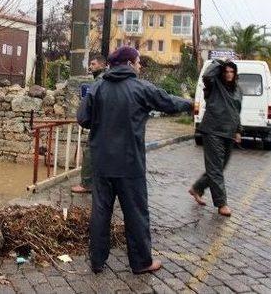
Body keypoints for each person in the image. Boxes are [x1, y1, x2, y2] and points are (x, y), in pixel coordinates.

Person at [77, 46, 192, 274]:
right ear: (129, 63)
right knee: (136, 213)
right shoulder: (141, 87)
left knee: (100, 212)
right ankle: (141, 263)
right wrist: (191, 104)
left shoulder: (97, 86)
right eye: (138, 62)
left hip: (101, 163)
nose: (140, 66)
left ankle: (97, 261)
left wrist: (102, 124)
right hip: (130, 164)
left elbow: (82, 118)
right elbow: (168, 102)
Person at [189, 60, 242, 217]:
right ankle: (221, 204)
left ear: (235, 73)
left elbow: (237, 112)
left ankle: (197, 188)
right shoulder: (214, 86)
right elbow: (207, 74)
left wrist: (238, 130)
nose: (229, 74)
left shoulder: (238, 90)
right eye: (226, 71)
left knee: (220, 167)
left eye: (232, 71)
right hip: (212, 131)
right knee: (215, 169)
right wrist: (220, 63)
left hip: (229, 133)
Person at [72, 53, 107, 194]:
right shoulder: (106, 79)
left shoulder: (99, 80)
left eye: (93, 64)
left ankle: (86, 184)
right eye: (90, 64)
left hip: (99, 124)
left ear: (102, 65)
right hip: (106, 124)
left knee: (89, 152)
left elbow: (89, 106)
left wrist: (85, 120)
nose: (90, 67)